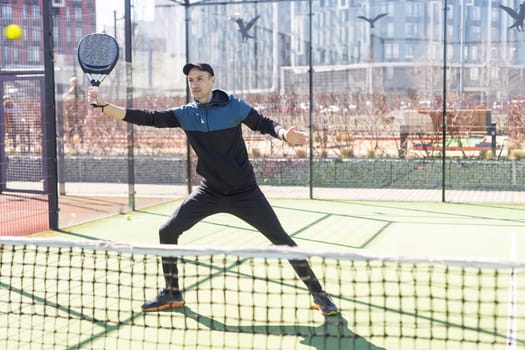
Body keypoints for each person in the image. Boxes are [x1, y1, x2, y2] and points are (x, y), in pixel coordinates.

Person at [88, 61, 338, 316]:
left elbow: (262, 122)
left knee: (283, 241)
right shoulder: (186, 113)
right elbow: (148, 118)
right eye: (190, 81)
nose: (194, 84)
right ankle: (172, 293)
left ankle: (320, 295)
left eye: (199, 79)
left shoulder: (233, 106)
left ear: (212, 80)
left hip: (245, 193)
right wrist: (105, 107)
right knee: (167, 231)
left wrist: (284, 134)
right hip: (210, 192)